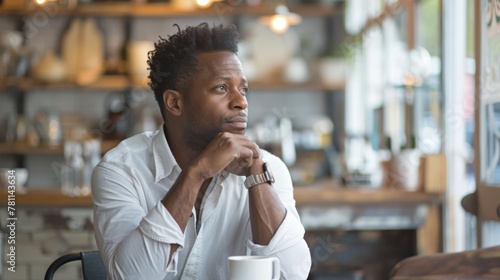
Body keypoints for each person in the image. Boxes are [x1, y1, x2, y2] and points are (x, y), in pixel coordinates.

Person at [91, 22, 311, 280]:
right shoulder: (121, 170)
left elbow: (292, 274)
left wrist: (257, 178)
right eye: (221, 88)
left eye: (243, 89)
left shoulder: (267, 169)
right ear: (175, 102)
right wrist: (195, 174)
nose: (241, 102)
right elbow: (132, 277)